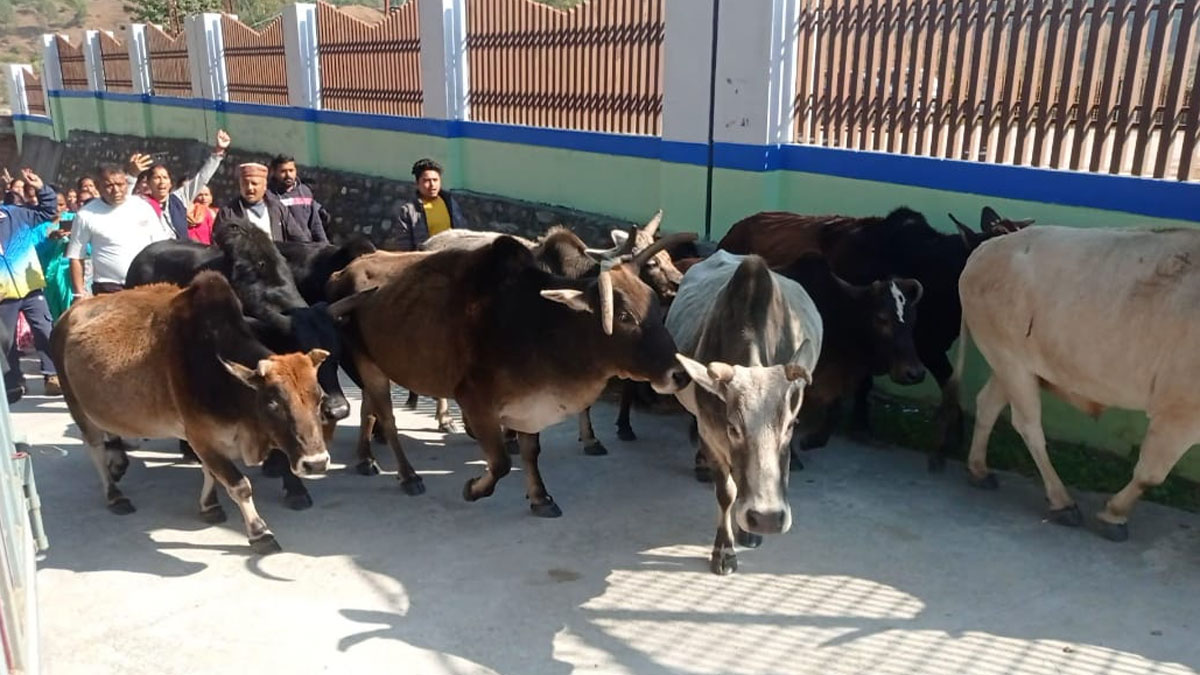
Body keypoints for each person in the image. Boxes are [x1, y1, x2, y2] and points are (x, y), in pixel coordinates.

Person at [0, 169, 59, 401]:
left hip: (31, 287)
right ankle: (13, 380)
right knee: (6, 341)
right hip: (3, 295)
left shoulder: (14, 214)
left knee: (45, 330)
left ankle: (53, 374)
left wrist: (42, 188)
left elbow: (48, 211)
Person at [67, 164, 171, 296]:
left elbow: (161, 246)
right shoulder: (86, 214)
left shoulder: (143, 207)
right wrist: (79, 294)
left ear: (127, 184)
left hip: (145, 286)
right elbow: (76, 256)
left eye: (120, 184)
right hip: (108, 288)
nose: (116, 190)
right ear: (98, 187)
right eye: (109, 186)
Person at [126, 130, 231, 241]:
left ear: (170, 183)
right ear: (148, 183)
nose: (162, 182)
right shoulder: (143, 204)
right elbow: (124, 201)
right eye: (157, 178)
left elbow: (202, 178)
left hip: (181, 253)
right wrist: (132, 175)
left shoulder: (179, 198)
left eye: (165, 178)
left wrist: (218, 152)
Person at [216, 162, 310, 242]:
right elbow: (218, 246)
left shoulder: (278, 208)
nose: (249, 188)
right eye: (245, 183)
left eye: (254, 184)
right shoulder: (228, 213)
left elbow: (299, 238)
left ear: (264, 186)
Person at [394, 158, 467, 251]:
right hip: (426, 260)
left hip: (452, 257)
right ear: (417, 183)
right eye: (427, 181)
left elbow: (462, 231)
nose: (432, 185)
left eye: (435, 180)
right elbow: (403, 245)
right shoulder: (408, 211)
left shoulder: (450, 202)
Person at [34, 191, 76, 320]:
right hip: (46, 276)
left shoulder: (75, 220)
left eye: (61, 204)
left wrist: (73, 237)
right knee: (50, 313)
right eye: (53, 205)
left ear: (66, 206)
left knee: (70, 312)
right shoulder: (39, 226)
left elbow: (89, 249)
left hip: (68, 274)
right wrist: (51, 240)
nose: (57, 209)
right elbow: (35, 251)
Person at [269, 154, 328, 243]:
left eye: (291, 170)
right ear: (274, 172)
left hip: (306, 247)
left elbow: (315, 223)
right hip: (284, 248)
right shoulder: (269, 195)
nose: (288, 175)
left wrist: (325, 245)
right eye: (283, 171)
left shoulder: (305, 192)